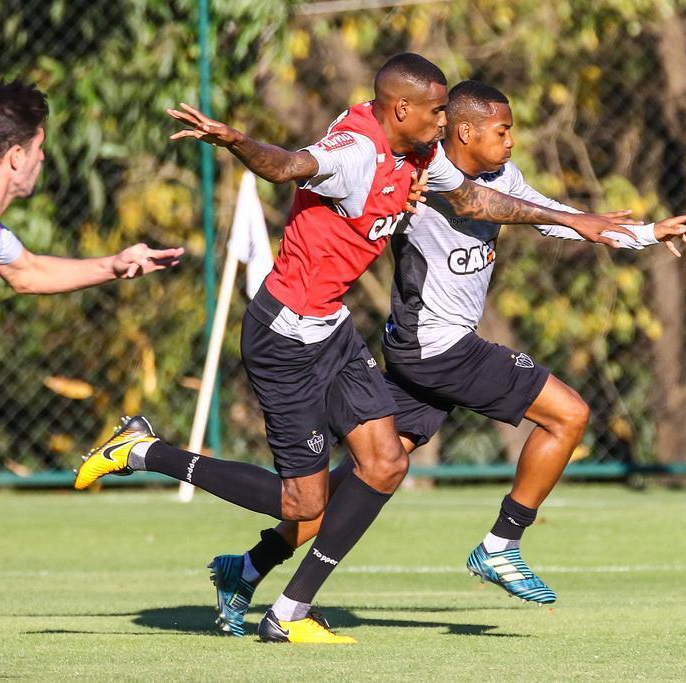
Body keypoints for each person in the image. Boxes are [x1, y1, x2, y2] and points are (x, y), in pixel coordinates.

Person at [74, 54, 638, 644]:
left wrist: (576, 221)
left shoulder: (419, 152)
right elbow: (289, 165)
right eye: (437, 112)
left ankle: (287, 610)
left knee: (386, 463)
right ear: (402, 109)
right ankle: (145, 452)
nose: (444, 122)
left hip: (333, 329)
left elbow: (475, 203)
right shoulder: (357, 153)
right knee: (302, 504)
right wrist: (237, 141)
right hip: (284, 336)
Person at [205, 80, 686, 635]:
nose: (511, 141)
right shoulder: (420, 175)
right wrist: (245, 145)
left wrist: (645, 233)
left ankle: (248, 568)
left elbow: (542, 212)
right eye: (502, 131)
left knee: (372, 472)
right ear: (465, 131)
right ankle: (502, 543)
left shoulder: (498, 178)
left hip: (429, 350)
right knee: (568, 414)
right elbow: (316, 175)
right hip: (434, 348)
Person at [0, 81, 184, 588]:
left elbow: (29, 272)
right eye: (40, 147)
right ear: (16, 157)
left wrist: (114, 264)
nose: (43, 158)